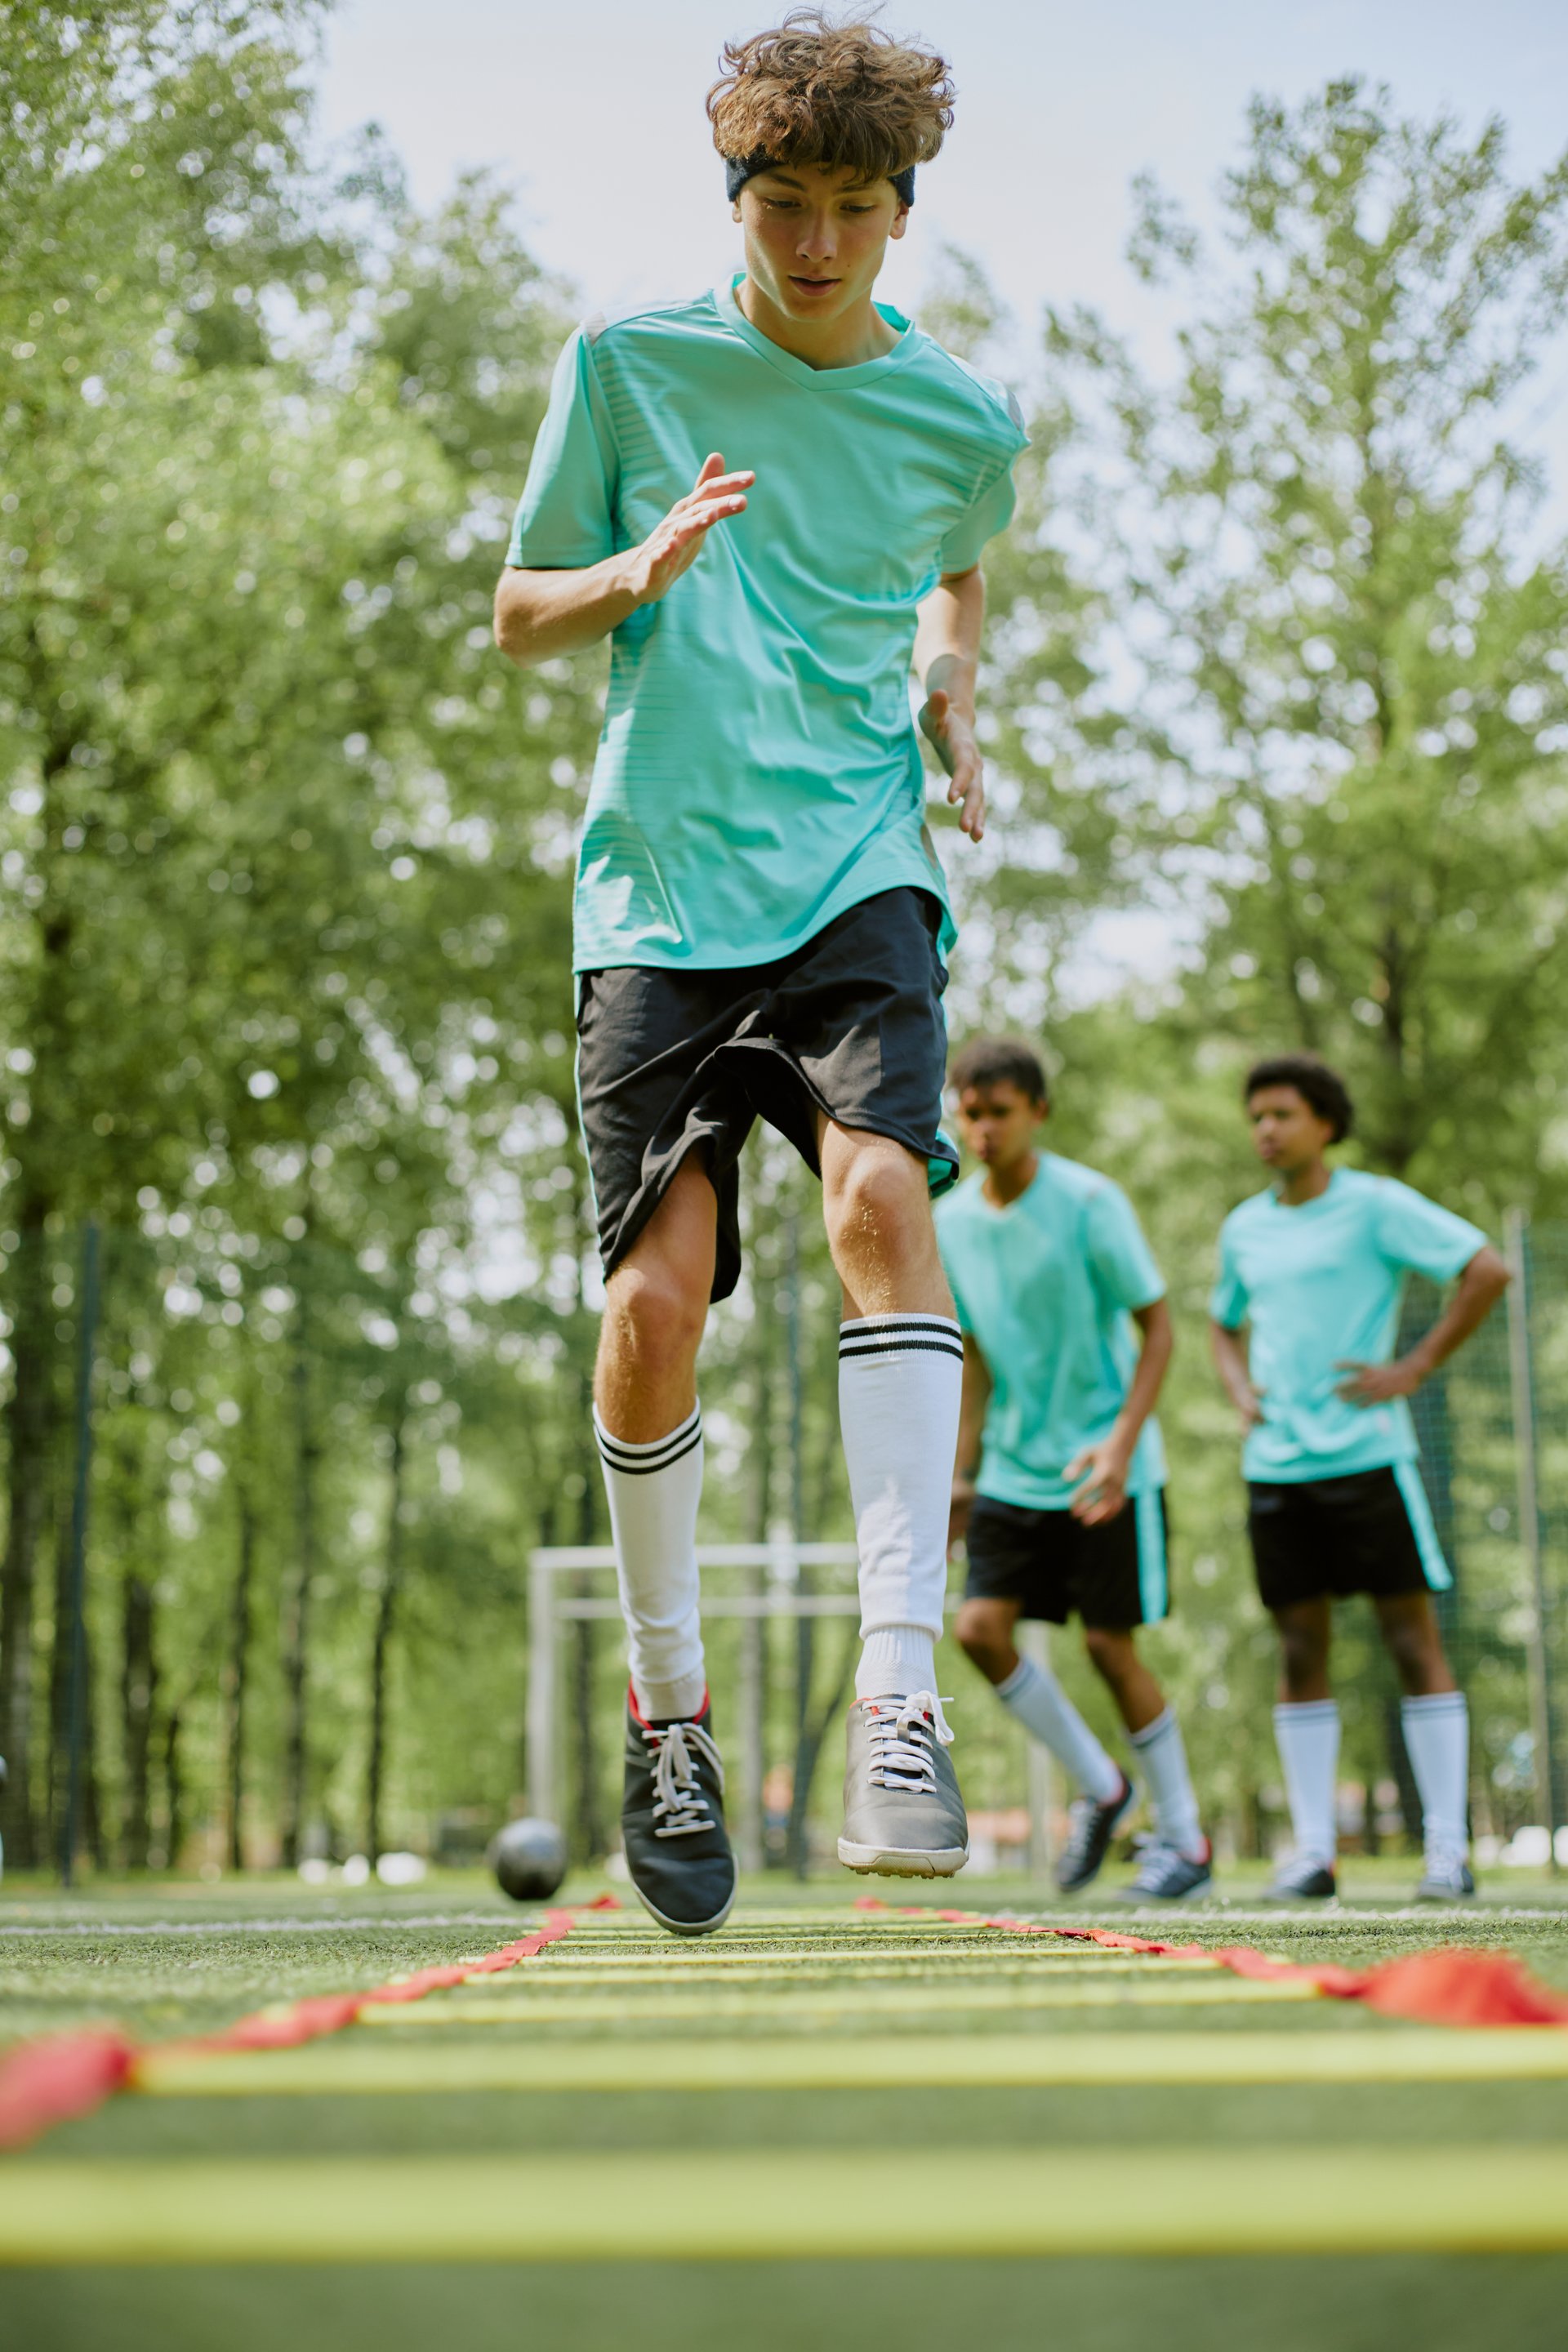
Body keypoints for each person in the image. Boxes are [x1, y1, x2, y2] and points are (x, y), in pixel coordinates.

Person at [494, 13, 1027, 1936]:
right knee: (651, 1312)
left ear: (903, 214)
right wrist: (634, 573)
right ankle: (672, 1710)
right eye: (784, 203)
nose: (816, 243)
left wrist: (952, 686)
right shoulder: (628, 364)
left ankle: (898, 1695)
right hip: (655, 902)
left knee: (888, 1188)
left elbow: (960, 559)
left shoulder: (963, 414)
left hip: (857, 863)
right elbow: (512, 612)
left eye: (853, 210)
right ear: (737, 195)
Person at [1210, 1053, 1510, 1903]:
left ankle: (1447, 1853)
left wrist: (1413, 1367)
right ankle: (1312, 1854)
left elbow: (1487, 1269)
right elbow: (1220, 1325)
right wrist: (1240, 1392)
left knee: (1414, 1642)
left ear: (1325, 1124)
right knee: (1300, 1648)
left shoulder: (1375, 1205)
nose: (1266, 1129)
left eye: (1282, 1114)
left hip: (1370, 1460)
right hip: (1276, 1468)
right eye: (1256, 1116)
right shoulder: (1245, 1228)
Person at [938, 1038, 1212, 1902]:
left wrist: (1124, 1443)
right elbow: (974, 1359)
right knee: (978, 1629)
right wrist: (960, 1474)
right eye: (968, 1111)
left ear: (1038, 1113)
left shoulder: (1092, 1202)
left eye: (998, 1112)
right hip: (1014, 1470)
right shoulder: (949, 1223)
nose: (981, 1129)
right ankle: (1103, 1786)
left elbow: (1159, 1327)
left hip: (1106, 1464)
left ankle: (1187, 1841)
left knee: (1107, 1645)